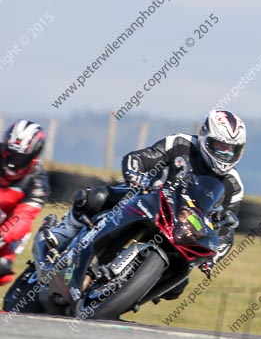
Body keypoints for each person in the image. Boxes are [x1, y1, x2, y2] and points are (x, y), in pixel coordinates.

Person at [44, 110, 247, 282]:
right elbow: (141, 158)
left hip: (184, 229)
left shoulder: (234, 185)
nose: (226, 153)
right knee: (95, 198)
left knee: (178, 284)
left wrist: (213, 256)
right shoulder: (179, 143)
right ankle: (65, 232)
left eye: (232, 149)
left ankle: (126, 292)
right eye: (220, 146)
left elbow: (226, 228)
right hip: (149, 197)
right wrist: (136, 175)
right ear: (204, 137)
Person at [0, 120, 49, 286]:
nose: (12, 163)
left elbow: (23, 218)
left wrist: (2, 236)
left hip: (6, 231)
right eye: (10, 154)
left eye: (20, 158)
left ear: (33, 157)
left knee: (2, 270)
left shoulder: (37, 182)